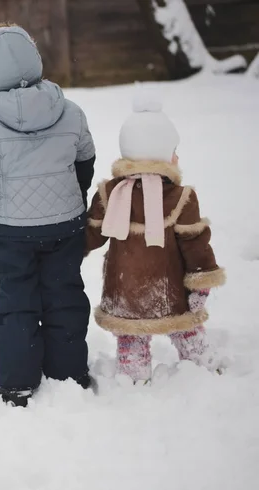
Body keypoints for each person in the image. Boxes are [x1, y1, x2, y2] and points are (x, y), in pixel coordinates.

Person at [0, 24, 97, 406]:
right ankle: (69, 372)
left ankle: (17, 383)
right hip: (65, 224)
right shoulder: (70, 110)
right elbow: (84, 163)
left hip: (13, 232)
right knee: (64, 295)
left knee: (17, 302)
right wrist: (72, 200)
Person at [86, 95, 226, 383]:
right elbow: (195, 242)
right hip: (169, 288)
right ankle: (206, 367)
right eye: (174, 151)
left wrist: (61, 254)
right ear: (162, 154)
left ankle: (133, 378)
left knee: (131, 338)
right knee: (186, 328)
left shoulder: (109, 193)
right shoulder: (180, 196)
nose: (177, 158)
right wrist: (202, 280)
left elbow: (90, 234)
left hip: (124, 289)